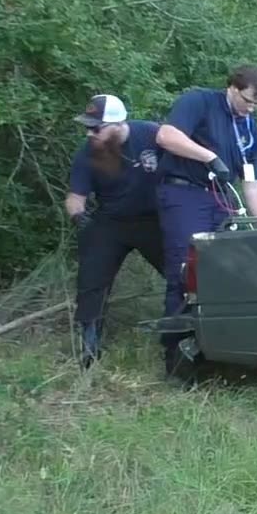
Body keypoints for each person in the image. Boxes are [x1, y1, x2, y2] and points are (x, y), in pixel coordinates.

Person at [152, 64, 257, 360]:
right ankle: (176, 354)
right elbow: (166, 136)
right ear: (232, 87)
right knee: (186, 269)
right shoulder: (199, 101)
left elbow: (252, 184)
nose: (251, 110)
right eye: (247, 101)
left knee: (225, 270)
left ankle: (217, 347)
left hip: (221, 199)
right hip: (185, 194)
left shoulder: (249, 127)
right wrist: (209, 157)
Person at [65, 94, 166, 367]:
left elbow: (185, 153)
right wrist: (78, 216)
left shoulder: (152, 134)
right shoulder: (88, 153)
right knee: (91, 277)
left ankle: (184, 332)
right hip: (110, 222)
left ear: (119, 125)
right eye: (87, 127)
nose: (90, 133)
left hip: (153, 219)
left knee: (183, 271)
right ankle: (89, 343)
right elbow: (76, 196)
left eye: (96, 128)